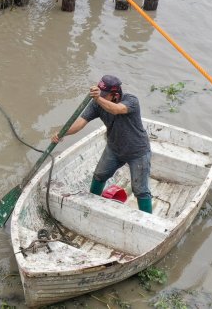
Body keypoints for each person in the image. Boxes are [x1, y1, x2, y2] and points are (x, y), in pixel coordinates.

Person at [51, 75, 153, 213]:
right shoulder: (96, 104)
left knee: (140, 190)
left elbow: (116, 110)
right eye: (100, 94)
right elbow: (80, 124)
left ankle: (147, 220)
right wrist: (62, 133)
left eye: (105, 95)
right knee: (99, 176)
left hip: (137, 151)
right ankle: (91, 206)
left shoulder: (131, 100)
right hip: (114, 148)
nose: (101, 98)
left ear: (115, 95)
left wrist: (98, 98)